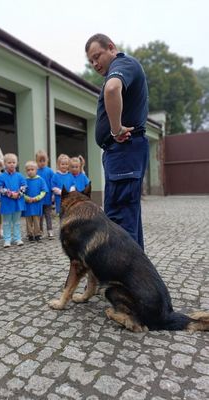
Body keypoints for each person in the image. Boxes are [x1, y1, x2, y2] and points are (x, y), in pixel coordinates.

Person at [85, 34, 149, 249]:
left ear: (111, 47)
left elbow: (113, 90)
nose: (94, 64)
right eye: (91, 61)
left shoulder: (123, 63)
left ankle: (121, 281)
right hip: (123, 153)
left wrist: (116, 129)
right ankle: (138, 280)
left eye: (97, 56)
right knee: (128, 218)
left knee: (119, 221)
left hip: (123, 150)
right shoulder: (120, 68)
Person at [0, 153, 26, 248]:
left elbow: (24, 186)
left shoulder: (20, 175)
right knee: (6, 222)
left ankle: (17, 238)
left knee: (17, 221)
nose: (12, 164)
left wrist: (18, 194)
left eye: (14, 162)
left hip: (17, 202)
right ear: (5, 164)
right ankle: (7, 239)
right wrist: (9, 193)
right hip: (7, 203)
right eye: (9, 162)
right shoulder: (1, 176)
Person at [23, 160, 47, 242]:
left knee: (37, 220)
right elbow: (21, 192)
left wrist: (37, 198)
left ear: (36, 170)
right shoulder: (24, 181)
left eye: (32, 169)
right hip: (28, 204)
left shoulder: (40, 180)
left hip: (37, 203)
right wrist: (26, 198)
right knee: (28, 220)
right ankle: (30, 234)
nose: (30, 171)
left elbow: (44, 191)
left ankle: (37, 234)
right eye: (28, 170)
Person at [36, 150, 55, 239]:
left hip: (48, 198)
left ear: (47, 160)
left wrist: (53, 195)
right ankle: (40, 231)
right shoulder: (35, 171)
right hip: (39, 198)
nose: (42, 163)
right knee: (39, 216)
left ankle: (50, 230)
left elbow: (53, 183)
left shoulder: (50, 171)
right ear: (37, 161)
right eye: (40, 161)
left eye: (44, 161)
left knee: (48, 215)